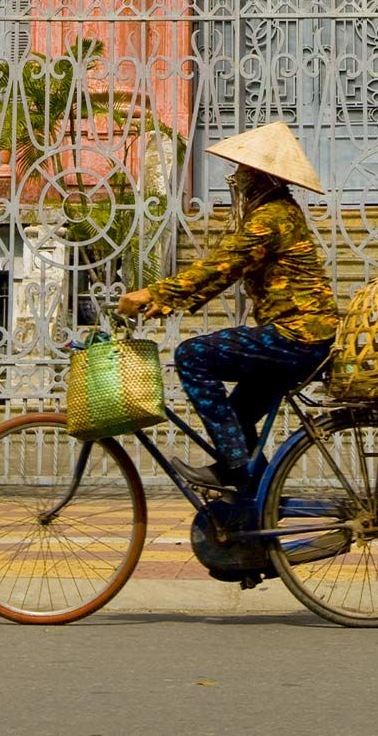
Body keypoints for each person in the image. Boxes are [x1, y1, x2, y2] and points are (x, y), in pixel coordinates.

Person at [115, 120, 337, 494]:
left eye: (243, 171)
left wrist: (156, 293)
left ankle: (238, 471)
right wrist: (170, 303)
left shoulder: (272, 218)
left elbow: (224, 263)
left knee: (193, 355)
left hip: (297, 337)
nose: (237, 177)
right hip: (296, 336)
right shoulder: (275, 214)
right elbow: (225, 274)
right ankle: (258, 506)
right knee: (237, 416)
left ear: (261, 177)